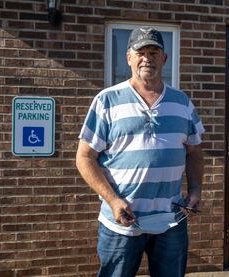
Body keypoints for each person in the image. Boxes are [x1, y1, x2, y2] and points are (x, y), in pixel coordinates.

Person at [76, 26, 205, 277]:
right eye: (141, 52)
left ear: (164, 58)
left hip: (170, 220)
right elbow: (84, 157)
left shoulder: (182, 102)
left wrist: (196, 189)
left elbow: (195, 152)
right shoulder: (107, 100)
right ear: (129, 58)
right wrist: (113, 200)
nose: (147, 58)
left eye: (154, 52)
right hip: (121, 223)